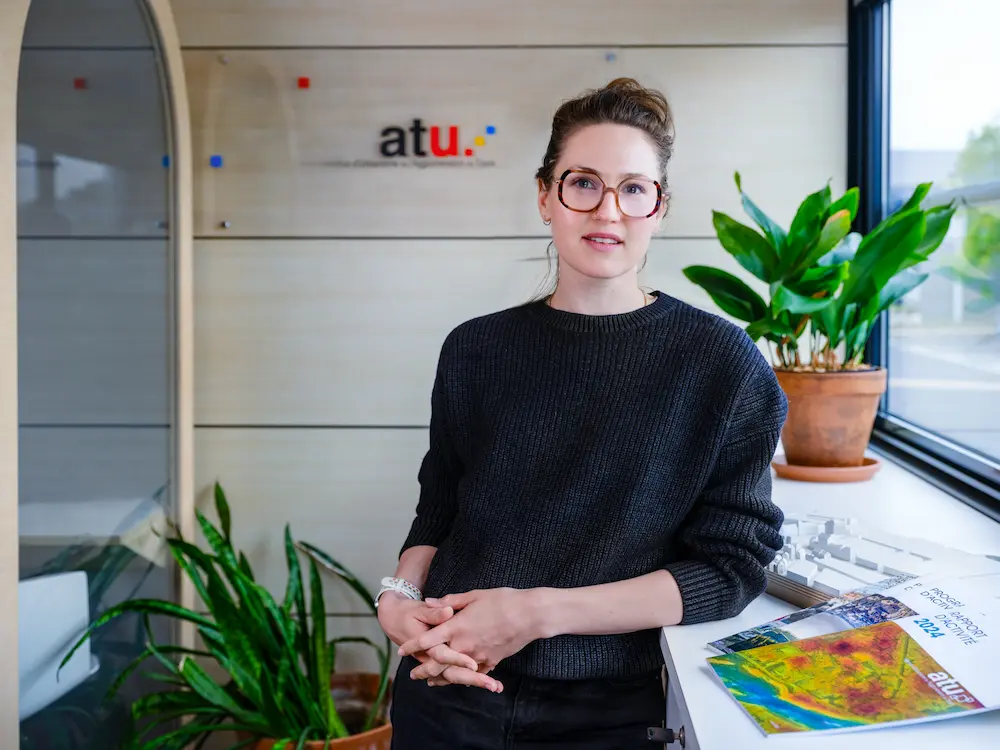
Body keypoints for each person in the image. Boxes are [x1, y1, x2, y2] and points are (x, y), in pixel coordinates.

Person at [375, 77, 788, 749]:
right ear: (546, 196)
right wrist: (398, 596)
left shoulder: (721, 364)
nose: (608, 211)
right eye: (583, 184)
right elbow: (440, 509)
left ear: (659, 207)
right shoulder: (475, 349)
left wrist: (535, 614)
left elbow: (731, 571)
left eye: (633, 188)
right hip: (448, 683)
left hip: (607, 707)